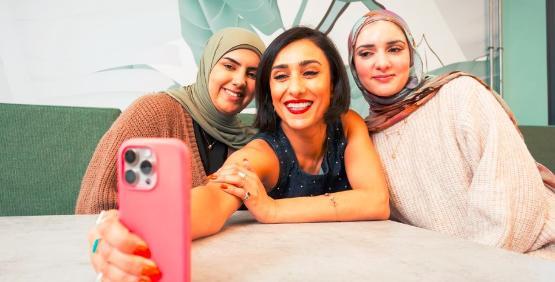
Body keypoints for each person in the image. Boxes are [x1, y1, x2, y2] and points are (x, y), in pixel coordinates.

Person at [89, 26, 389, 282]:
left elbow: (376, 201)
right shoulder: (262, 153)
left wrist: (273, 211)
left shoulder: (348, 123)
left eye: (310, 73)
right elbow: (213, 198)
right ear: (269, 91)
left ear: (333, 81)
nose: (295, 88)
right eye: (281, 76)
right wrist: (133, 229)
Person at [348, 9, 555, 259]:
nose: (382, 63)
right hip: (450, 265)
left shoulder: (461, 94)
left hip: (530, 254)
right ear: (353, 65)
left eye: (394, 49)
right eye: (366, 53)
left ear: (411, 55)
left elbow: (511, 200)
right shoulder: (366, 137)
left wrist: (471, 267)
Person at [75, 27, 265, 214]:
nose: (240, 81)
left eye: (252, 74)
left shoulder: (249, 142)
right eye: (229, 66)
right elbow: (95, 202)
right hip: (142, 242)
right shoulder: (154, 112)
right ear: (207, 65)